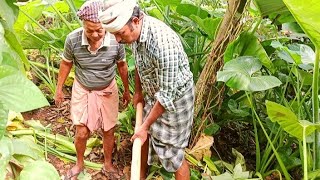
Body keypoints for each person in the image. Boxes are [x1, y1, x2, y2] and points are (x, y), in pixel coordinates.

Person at [99, 1, 194, 179]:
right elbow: (140, 65)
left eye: (120, 34)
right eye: (114, 35)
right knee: (143, 136)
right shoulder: (135, 33)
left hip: (176, 101)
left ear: (135, 21)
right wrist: (138, 92)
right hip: (154, 93)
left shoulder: (163, 44)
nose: (118, 40)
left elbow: (167, 97)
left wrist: (144, 125)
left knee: (173, 155)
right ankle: (140, 174)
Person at [54, 0, 130, 179]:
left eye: (99, 30)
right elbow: (66, 63)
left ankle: (108, 164)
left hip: (107, 90)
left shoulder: (115, 40)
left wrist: (127, 90)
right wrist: (58, 89)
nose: (95, 34)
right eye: (90, 30)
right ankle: (79, 164)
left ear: (105, 26)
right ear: (83, 26)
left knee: (108, 130)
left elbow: (122, 66)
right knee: (82, 132)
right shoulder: (72, 39)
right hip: (83, 89)